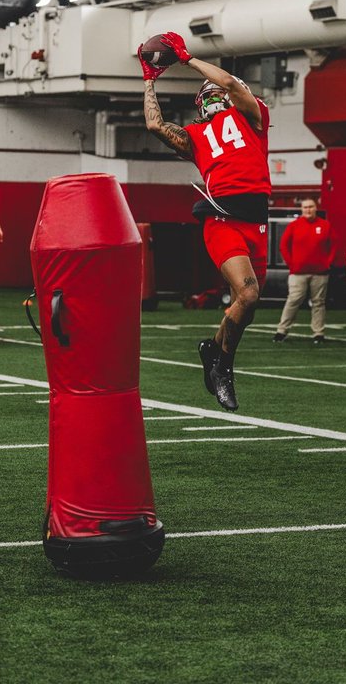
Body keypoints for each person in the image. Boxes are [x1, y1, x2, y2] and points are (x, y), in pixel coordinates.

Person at [141, 32, 270, 412]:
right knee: (248, 294)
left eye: (219, 93)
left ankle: (212, 351)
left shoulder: (251, 116)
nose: (216, 95)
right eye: (208, 94)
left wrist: (186, 58)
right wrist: (149, 79)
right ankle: (222, 368)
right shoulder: (196, 135)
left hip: (256, 221)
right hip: (222, 218)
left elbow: (230, 82)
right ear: (199, 105)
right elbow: (154, 125)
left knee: (245, 308)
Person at [273, 198, 334, 345]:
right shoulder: (294, 226)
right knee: (293, 300)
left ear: (315, 208)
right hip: (297, 273)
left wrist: (327, 263)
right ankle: (281, 331)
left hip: (320, 273)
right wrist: (292, 265)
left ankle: (318, 333)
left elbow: (333, 246)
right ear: (302, 209)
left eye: (311, 207)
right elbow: (283, 246)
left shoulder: (325, 225)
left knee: (318, 303)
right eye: (305, 207)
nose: (308, 210)